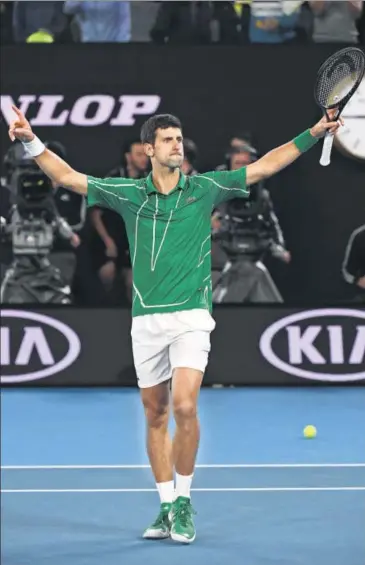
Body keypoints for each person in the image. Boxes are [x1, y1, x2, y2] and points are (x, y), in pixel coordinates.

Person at [8, 105, 342, 544]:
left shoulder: (205, 187)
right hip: (146, 320)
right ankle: (165, 505)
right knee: (155, 413)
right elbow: (68, 177)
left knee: (184, 405)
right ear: (148, 149)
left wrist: (314, 132)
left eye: (179, 139)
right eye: (167, 140)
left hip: (191, 316)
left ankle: (185, 501)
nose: (177, 145)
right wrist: (30, 139)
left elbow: (264, 166)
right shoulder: (128, 193)